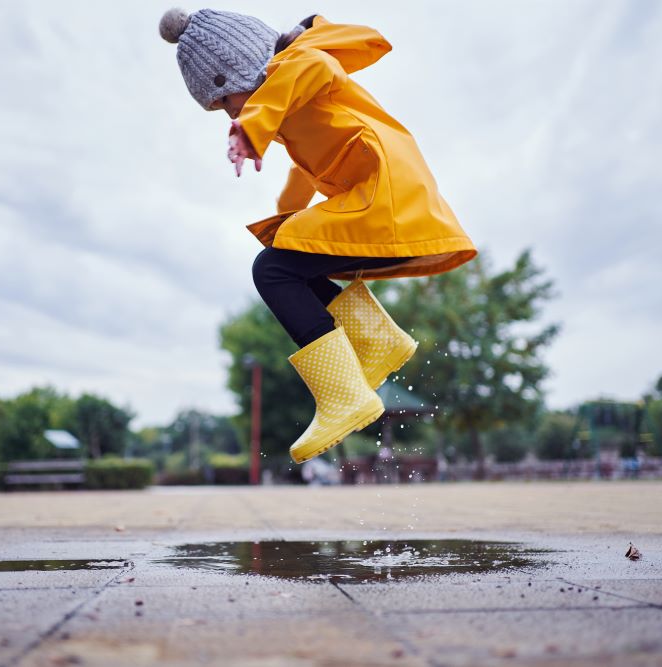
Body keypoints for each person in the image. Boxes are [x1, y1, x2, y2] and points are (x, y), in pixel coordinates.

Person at [160, 8, 476, 464]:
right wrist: (286, 220)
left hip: (386, 200)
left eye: (226, 101)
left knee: (272, 271)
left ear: (241, 70)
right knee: (286, 260)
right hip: (386, 201)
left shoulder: (303, 62)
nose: (229, 112)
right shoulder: (293, 102)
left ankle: (345, 396)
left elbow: (314, 69)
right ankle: (374, 341)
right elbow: (305, 170)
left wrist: (252, 126)